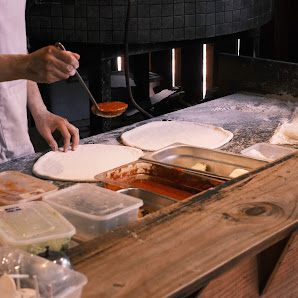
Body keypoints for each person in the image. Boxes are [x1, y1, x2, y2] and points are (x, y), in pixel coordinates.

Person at [0, 0, 80, 163]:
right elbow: (22, 62)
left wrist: (41, 112)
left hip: (17, 139)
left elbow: (14, 46)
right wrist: (26, 65)